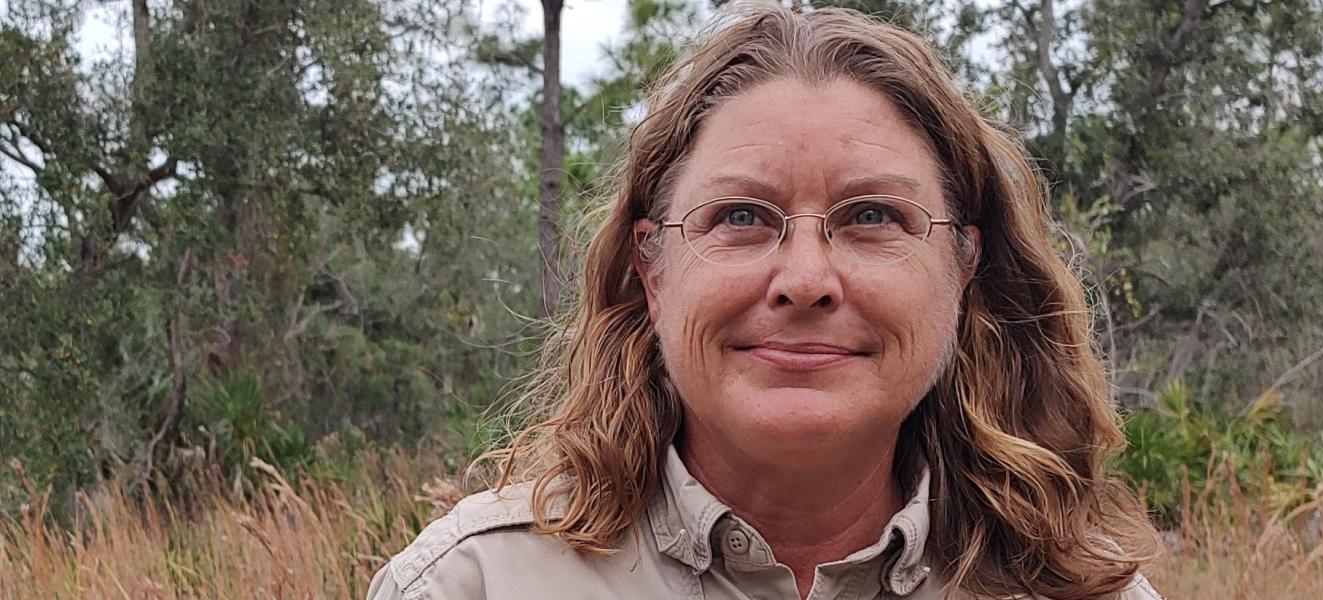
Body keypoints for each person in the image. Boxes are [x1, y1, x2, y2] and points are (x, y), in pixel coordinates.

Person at [367, 3, 1162, 599]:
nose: (805, 279)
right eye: (741, 217)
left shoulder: (1084, 591)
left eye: (873, 217)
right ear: (652, 269)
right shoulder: (472, 585)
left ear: (962, 268)